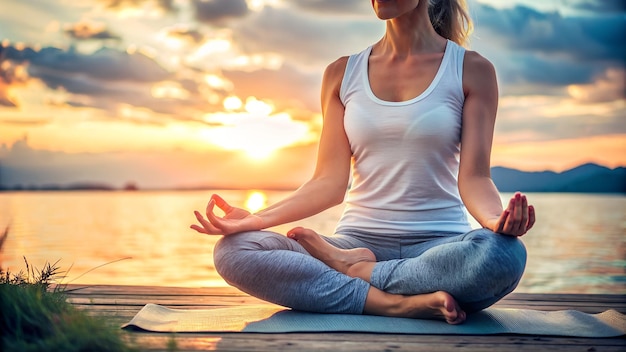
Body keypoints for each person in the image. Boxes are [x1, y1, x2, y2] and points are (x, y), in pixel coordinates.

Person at [191, 0, 535, 325]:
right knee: (234, 251)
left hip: (439, 248)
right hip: (355, 240)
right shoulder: (342, 73)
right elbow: (328, 181)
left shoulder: (472, 70)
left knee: (504, 256)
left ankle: (360, 275)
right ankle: (395, 304)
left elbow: (474, 177)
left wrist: (494, 221)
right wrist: (255, 219)